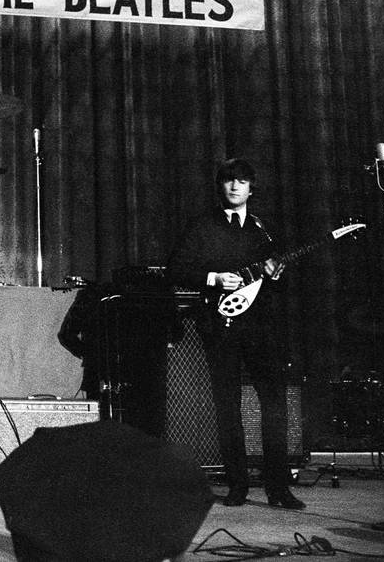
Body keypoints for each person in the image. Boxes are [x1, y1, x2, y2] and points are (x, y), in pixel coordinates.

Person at [166, 158, 305, 510]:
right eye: (228, 181)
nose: (234, 187)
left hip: (262, 328)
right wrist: (214, 278)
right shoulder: (202, 226)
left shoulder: (264, 229)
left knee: (274, 405)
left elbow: (281, 275)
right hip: (220, 327)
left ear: (251, 188)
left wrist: (277, 275)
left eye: (241, 181)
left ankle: (278, 487)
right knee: (227, 407)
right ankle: (237, 486)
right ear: (220, 186)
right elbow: (176, 269)